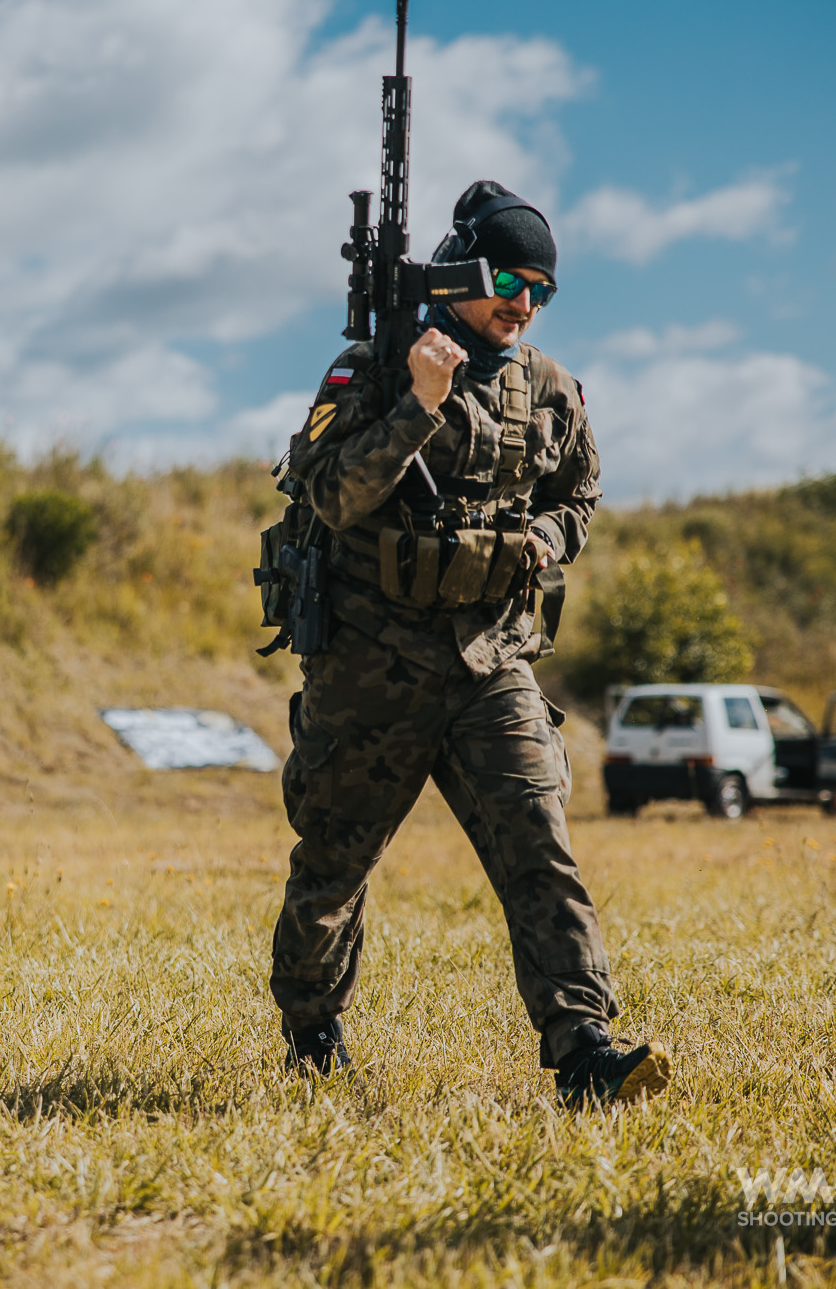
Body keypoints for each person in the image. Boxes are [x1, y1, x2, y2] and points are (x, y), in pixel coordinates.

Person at [269, 181, 669, 1106]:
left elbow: (581, 493)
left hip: (492, 660)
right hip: (373, 663)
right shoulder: (370, 368)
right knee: (334, 859)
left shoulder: (553, 388)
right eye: (507, 277)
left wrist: (548, 538)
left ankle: (584, 1050)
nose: (522, 302)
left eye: (541, 287)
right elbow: (331, 495)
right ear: (460, 271)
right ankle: (312, 1029)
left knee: (539, 840)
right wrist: (418, 402)